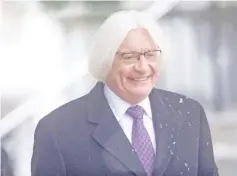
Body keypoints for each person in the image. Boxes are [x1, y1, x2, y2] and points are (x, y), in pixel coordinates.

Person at [31, 10, 219, 176]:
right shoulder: (57, 130)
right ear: (105, 60)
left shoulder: (190, 114)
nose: (143, 67)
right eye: (130, 57)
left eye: (151, 55)